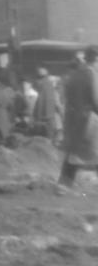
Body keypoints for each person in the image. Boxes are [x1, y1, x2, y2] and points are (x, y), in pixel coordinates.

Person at [58, 46, 98, 189]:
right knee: (90, 151)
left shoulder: (74, 74)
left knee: (74, 153)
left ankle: (64, 183)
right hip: (89, 121)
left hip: (75, 121)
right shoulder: (92, 73)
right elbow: (95, 100)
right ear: (96, 58)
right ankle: (64, 183)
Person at [31, 66, 63, 144]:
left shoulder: (39, 88)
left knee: (41, 143)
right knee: (48, 143)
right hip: (48, 121)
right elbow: (58, 105)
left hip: (41, 121)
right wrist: (62, 117)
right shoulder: (50, 87)